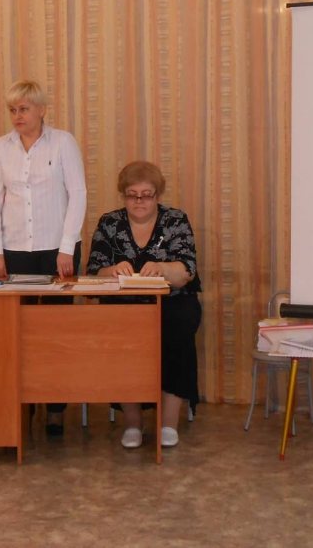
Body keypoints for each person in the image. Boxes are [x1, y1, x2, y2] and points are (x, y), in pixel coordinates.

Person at [0, 79, 87, 436]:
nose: (17, 116)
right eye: (12, 110)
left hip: (57, 251)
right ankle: (23, 404)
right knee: (19, 332)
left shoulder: (63, 142)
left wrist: (66, 247)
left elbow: (78, 195)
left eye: (24, 109)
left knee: (55, 332)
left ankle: (55, 407)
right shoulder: (1, 148)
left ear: (42, 110)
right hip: (15, 251)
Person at [86, 160, 201, 449]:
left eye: (146, 194)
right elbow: (93, 272)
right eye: (132, 194)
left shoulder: (175, 220)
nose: (139, 201)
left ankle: (168, 424)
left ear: (157, 194)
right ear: (123, 195)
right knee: (121, 339)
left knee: (178, 331)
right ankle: (133, 424)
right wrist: (111, 271)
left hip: (172, 304)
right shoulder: (109, 223)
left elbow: (187, 271)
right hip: (123, 307)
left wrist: (162, 268)